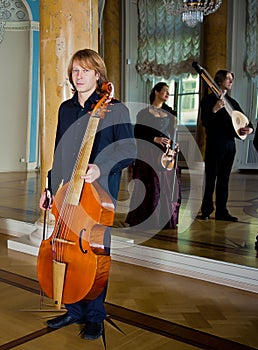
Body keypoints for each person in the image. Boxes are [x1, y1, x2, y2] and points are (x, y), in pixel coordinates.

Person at [39, 48, 136, 340]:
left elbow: (128, 150)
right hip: (68, 194)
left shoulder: (115, 108)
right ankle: (73, 309)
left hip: (98, 194)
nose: (78, 76)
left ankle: (95, 316)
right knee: (68, 251)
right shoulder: (66, 109)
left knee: (95, 256)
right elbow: (60, 151)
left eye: (85, 70)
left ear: (98, 74)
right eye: (74, 71)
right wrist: (49, 186)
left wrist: (101, 168)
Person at [125, 82, 181, 231]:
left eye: (169, 92)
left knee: (166, 184)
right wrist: (154, 139)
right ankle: (147, 219)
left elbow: (173, 133)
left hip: (165, 153)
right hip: (149, 152)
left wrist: (175, 145)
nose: (168, 94)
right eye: (165, 91)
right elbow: (138, 132)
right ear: (156, 92)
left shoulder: (170, 113)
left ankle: (164, 218)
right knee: (151, 182)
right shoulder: (144, 113)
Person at [200, 69, 253, 221]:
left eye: (232, 79)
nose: (231, 81)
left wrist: (249, 129)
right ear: (219, 81)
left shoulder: (233, 103)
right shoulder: (208, 101)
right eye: (228, 78)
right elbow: (205, 122)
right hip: (214, 144)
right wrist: (215, 109)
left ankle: (222, 211)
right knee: (211, 179)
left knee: (224, 180)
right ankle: (206, 210)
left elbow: (246, 121)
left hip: (230, 145)